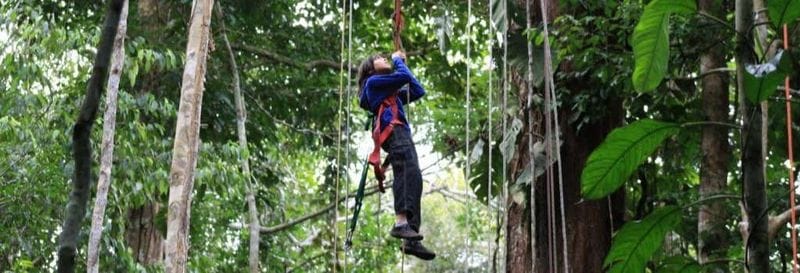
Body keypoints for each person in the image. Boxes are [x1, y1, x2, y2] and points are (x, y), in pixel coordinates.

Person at [356, 50, 436, 260]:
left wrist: (400, 64)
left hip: (400, 134)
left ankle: (411, 236)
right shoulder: (373, 84)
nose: (385, 59)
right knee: (407, 172)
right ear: (371, 68)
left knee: (414, 177)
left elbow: (417, 89)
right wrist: (398, 60)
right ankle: (401, 223)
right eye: (379, 58)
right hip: (394, 132)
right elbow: (404, 77)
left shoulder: (389, 91)